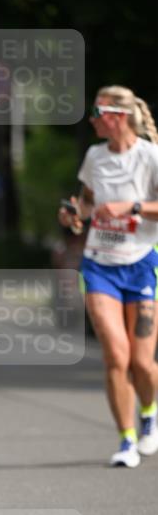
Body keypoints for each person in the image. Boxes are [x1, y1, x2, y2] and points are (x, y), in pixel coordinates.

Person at [58, 85, 158, 467]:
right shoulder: (95, 156)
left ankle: (149, 413)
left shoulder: (149, 156)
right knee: (116, 356)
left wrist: (130, 206)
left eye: (97, 112)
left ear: (117, 115)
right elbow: (85, 200)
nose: (92, 120)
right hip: (99, 265)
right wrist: (73, 212)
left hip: (142, 265)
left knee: (143, 362)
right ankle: (127, 439)